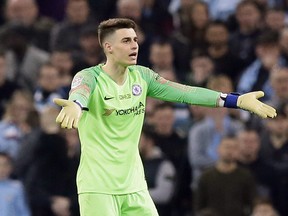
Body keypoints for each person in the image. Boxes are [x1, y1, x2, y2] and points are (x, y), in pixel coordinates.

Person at [53, 18, 276, 216]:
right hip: (98, 187)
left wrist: (235, 100)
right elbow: (80, 91)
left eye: (135, 40)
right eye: (126, 41)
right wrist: (76, 105)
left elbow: (187, 92)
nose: (134, 46)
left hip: (135, 186)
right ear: (108, 47)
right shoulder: (89, 76)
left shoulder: (142, 76)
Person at [0, 152, 31, 216]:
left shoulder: (17, 187)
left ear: (10, 168)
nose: (1, 169)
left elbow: (23, 211)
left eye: (5, 165)